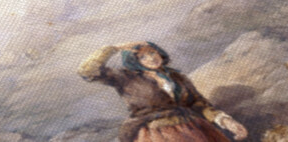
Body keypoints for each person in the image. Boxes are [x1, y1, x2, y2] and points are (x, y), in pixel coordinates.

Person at [78, 41, 248, 142]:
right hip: (155, 133)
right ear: (133, 61)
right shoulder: (125, 78)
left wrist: (225, 120)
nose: (151, 58)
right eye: (142, 56)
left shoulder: (176, 77)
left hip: (192, 128)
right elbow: (87, 71)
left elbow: (198, 103)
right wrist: (114, 48)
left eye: (152, 52)